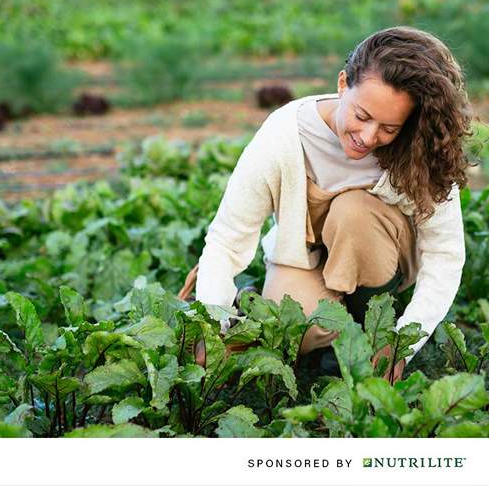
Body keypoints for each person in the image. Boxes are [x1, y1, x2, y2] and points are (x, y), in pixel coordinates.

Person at [189, 26, 472, 382]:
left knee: (353, 212)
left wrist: (402, 342)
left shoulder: (418, 148)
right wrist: (212, 320)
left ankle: (375, 332)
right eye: (362, 116)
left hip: (378, 258)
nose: (368, 137)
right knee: (292, 325)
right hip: (309, 260)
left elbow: (445, 254)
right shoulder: (283, 136)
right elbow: (228, 238)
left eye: (389, 128)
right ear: (342, 84)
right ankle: (278, 314)